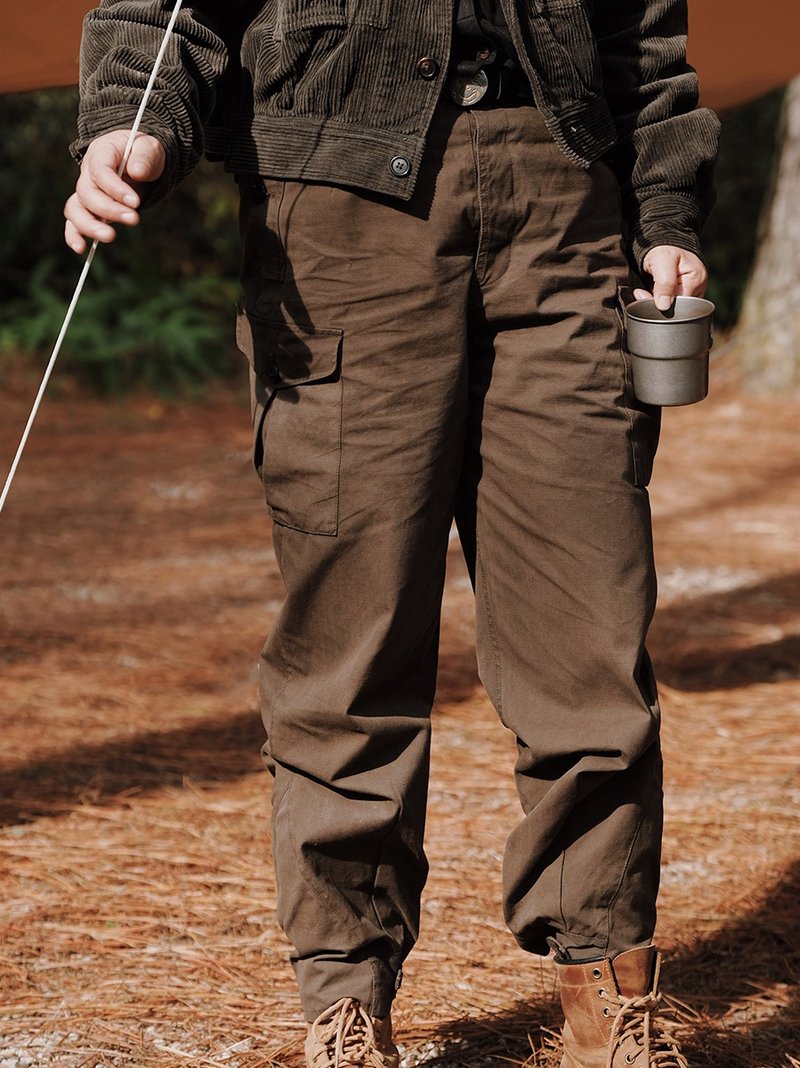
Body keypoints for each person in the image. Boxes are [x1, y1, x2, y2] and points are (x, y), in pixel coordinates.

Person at [64, 2, 719, 1065]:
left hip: (565, 202)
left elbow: (642, 37)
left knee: (588, 643)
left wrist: (669, 213)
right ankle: (346, 1002)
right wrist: (131, 121)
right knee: (348, 649)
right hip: (337, 208)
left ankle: (607, 992)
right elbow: (159, 6)